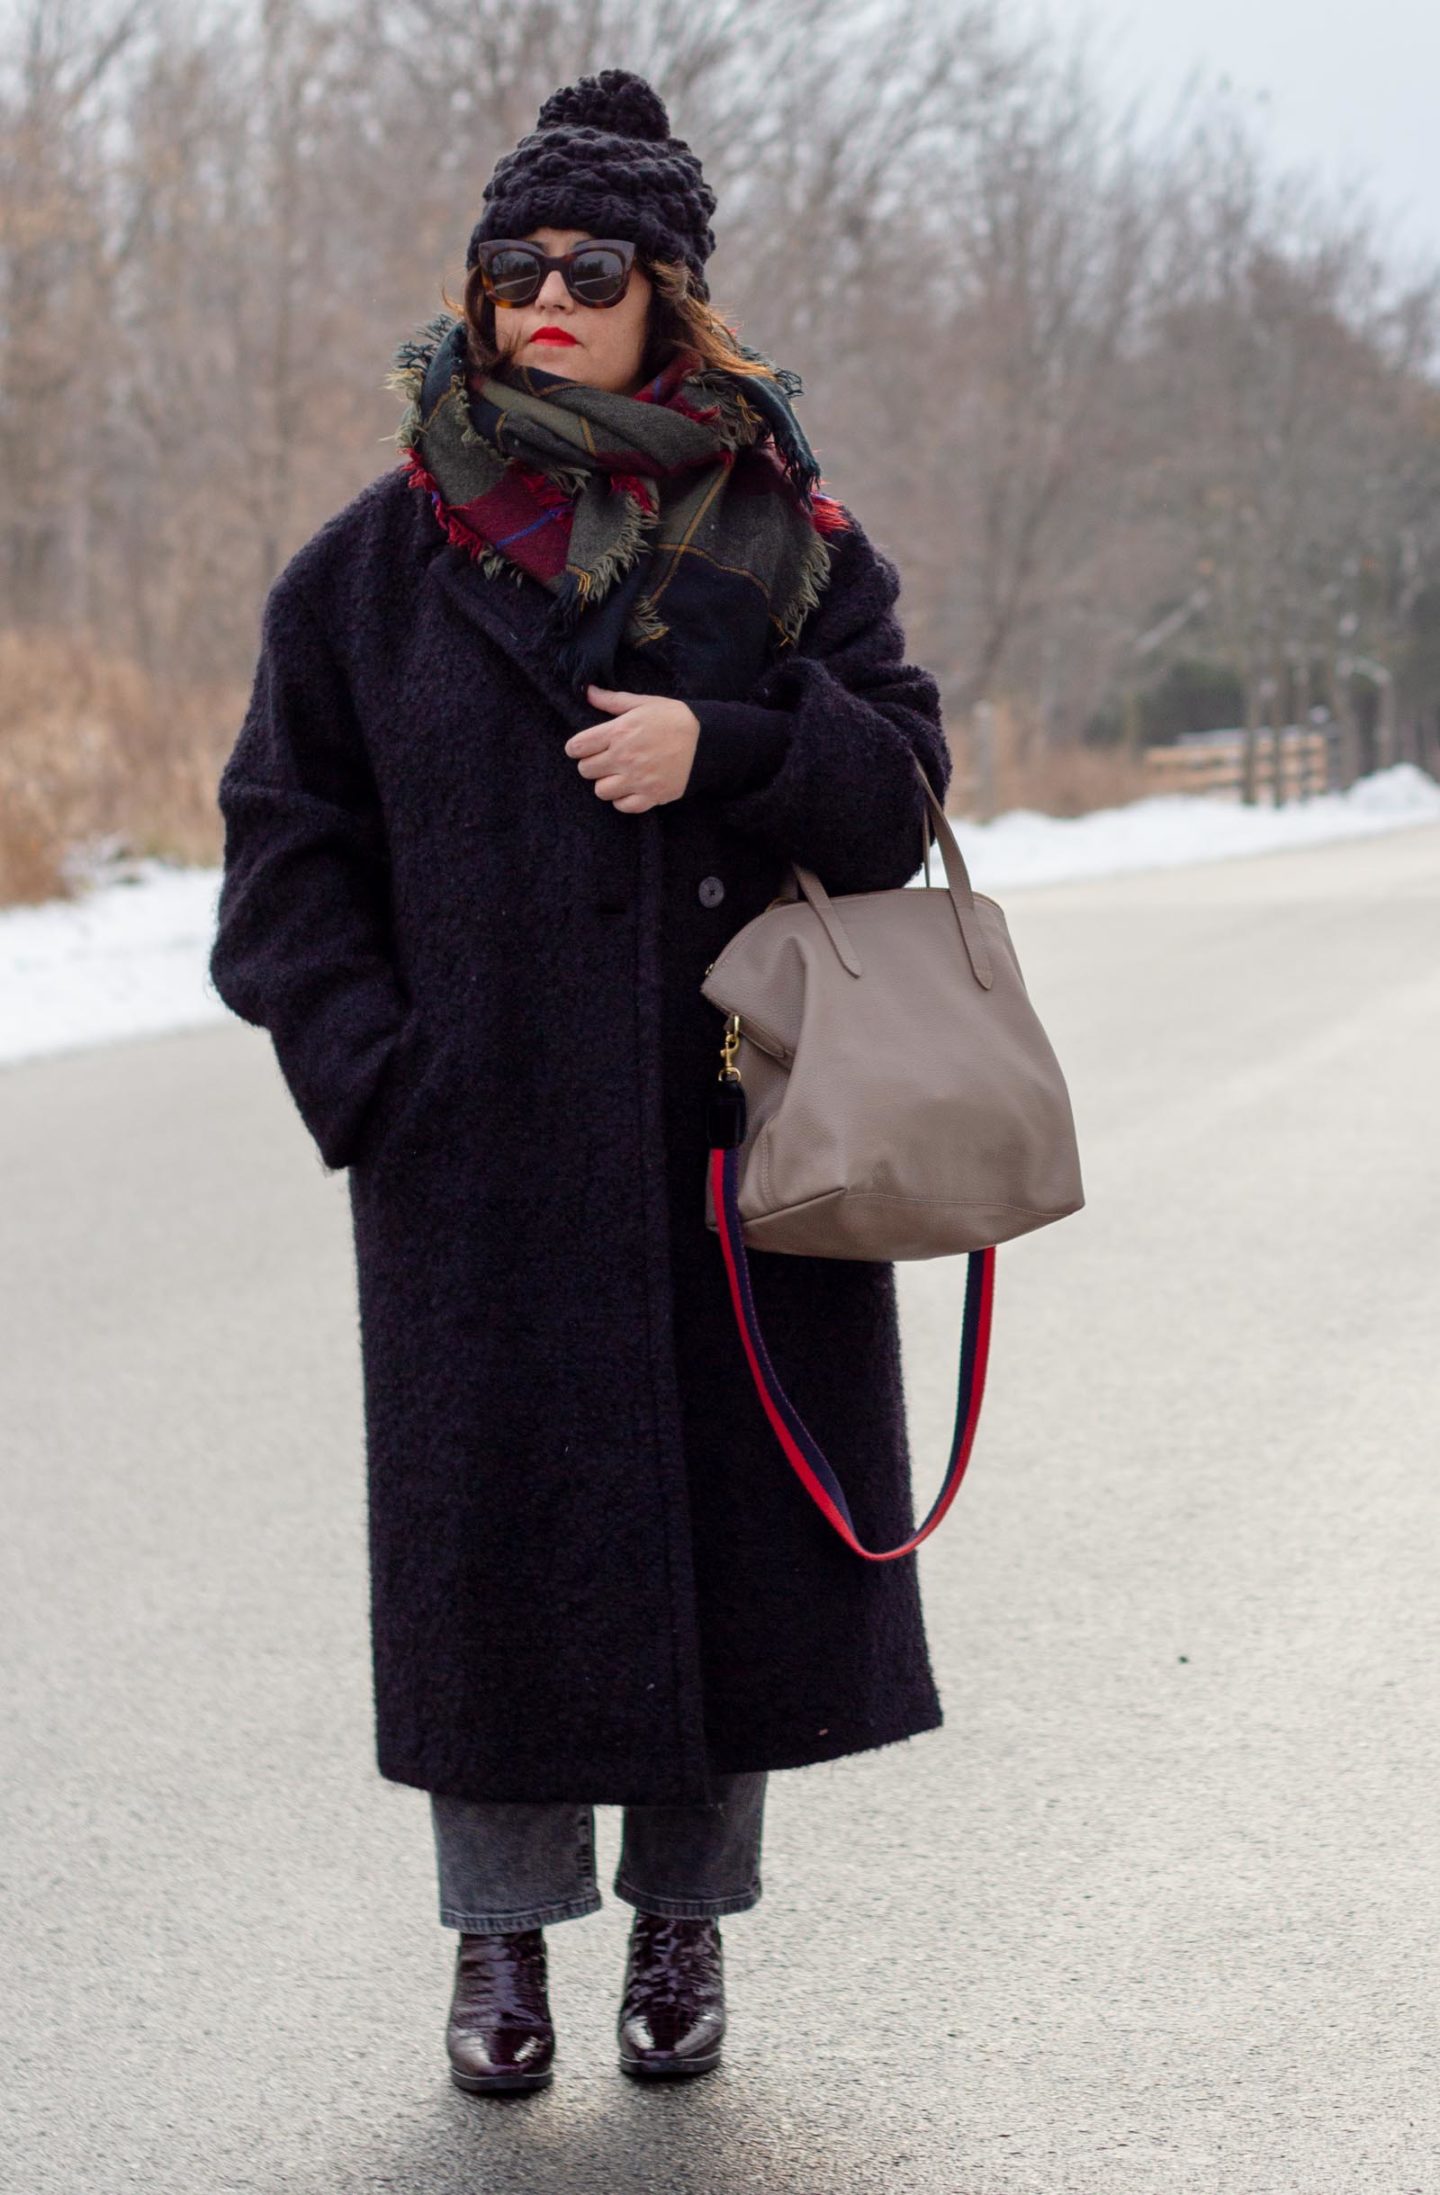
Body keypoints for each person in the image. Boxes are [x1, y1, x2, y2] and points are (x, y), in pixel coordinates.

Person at [209, 65, 954, 2095]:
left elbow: (900, 783)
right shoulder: (366, 575)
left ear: (667, 300)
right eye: (512, 267)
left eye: (590, 267)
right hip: (479, 1170)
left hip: (734, 1143)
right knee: (498, 1575)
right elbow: (283, 852)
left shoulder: (788, 538)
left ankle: (689, 1931)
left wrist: (726, 748)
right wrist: (382, 1081)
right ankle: (498, 1951)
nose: (546, 294)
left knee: (731, 1555)